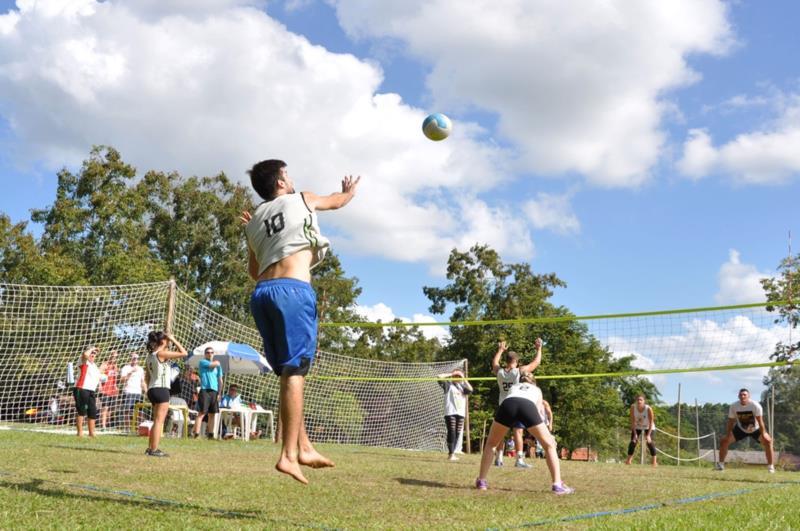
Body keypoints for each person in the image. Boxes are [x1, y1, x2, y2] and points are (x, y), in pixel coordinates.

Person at [242, 159, 359, 484]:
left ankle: (304, 446)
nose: (291, 179)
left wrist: (253, 234)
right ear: (280, 183)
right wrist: (349, 193)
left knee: (287, 374)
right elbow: (336, 201)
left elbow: (253, 272)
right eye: (287, 175)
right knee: (296, 373)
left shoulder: (253, 223)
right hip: (293, 292)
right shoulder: (302, 198)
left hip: (263, 294)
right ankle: (288, 455)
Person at [475, 371, 574, 494]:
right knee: (550, 445)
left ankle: (481, 481)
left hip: (508, 404)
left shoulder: (514, 386)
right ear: (534, 381)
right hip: (527, 406)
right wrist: (546, 434)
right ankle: (557, 484)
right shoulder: (537, 390)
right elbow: (538, 413)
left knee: (491, 444)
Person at [491, 338, 542, 468]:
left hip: (503, 405)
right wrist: (539, 349)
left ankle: (499, 458)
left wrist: (500, 350)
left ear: (506, 361)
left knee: (500, 433)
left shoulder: (500, 372)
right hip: (516, 404)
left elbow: (495, 362)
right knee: (518, 431)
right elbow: (536, 362)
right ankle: (519, 459)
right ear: (516, 361)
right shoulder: (519, 371)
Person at [144, 331, 188, 457]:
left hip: (152, 389)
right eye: (167, 342)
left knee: (155, 421)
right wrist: (174, 339)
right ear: (163, 342)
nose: (168, 343)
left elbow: (147, 376)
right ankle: (154, 449)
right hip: (161, 389)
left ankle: (150, 447)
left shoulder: (150, 356)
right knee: (159, 421)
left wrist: (148, 389)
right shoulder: (161, 353)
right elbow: (184, 353)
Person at [716, 388, 774, 473]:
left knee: (768, 441)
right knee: (724, 441)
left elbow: (760, 421)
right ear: (738, 396)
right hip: (740, 429)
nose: (742, 396)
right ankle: (720, 465)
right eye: (741, 395)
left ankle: (771, 467)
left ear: (748, 396)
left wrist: (764, 434)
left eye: (744, 395)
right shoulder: (734, 406)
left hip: (756, 429)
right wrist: (727, 434)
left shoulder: (755, 405)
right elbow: (730, 422)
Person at [437, 369, 473, 461]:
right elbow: (439, 377)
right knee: (451, 431)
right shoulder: (448, 385)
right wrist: (452, 374)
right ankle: (451, 454)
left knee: (457, 433)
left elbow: (471, 389)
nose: (457, 378)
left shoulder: (462, 387)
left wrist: (463, 378)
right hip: (450, 412)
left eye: (459, 376)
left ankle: (452, 453)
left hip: (460, 413)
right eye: (456, 376)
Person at [74, 346, 107, 438]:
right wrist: (92, 348)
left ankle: (91, 433)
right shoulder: (83, 360)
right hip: (81, 388)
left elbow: (98, 376)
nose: (93, 355)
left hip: (91, 390)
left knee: (92, 411)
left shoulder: (94, 365)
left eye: (94, 353)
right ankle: (79, 433)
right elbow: (85, 354)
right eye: (91, 353)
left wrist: (102, 369)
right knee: (81, 410)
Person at [193, 346, 224, 439]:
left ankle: (210, 435)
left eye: (211, 352)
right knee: (201, 413)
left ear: (213, 354)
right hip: (205, 390)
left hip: (214, 391)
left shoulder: (218, 366)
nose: (209, 354)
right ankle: (196, 434)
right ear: (205, 354)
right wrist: (217, 363)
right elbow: (213, 364)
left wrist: (219, 393)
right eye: (207, 352)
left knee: (212, 414)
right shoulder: (203, 362)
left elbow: (220, 380)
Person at [624, 395, 657, 466]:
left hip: (649, 426)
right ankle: (628, 461)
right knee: (633, 442)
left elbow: (651, 422)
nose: (639, 401)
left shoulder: (648, 409)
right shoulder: (633, 407)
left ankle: (654, 462)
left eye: (641, 400)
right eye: (638, 400)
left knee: (649, 442)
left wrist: (648, 435)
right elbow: (632, 421)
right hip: (637, 426)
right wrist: (635, 434)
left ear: (644, 401)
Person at [120, 353, 146, 430]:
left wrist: (146, 391)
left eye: (136, 358)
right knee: (127, 411)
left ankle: (139, 428)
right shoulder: (125, 368)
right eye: (134, 358)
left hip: (138, 392)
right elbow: (122, 380)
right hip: (128, 391)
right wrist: (131, 372)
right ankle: (127, 428)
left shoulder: (141, 369)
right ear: (130, 358)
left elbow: (142, 381)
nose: (135, 360)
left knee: (139, 412)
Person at [98, 350, 120, 429]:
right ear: (110, 355)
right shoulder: (105, 364)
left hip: (112, 390)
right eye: (113, 356)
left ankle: (106, 424)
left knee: (110, 409)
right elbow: (98, 375)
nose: (114, 358)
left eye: (116, 357)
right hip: (105, 389)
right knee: (105, 408)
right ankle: (103, 426)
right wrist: (100, 386)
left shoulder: (115, 366)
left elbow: (115, 378)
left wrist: (116, 386)